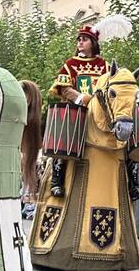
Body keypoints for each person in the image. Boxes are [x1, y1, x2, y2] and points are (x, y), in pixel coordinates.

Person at [46, 26, 107, 198]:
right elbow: (63, 88)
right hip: (77, 111)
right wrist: (82, 99)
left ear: (93, 43)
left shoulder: (104, 65)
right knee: (65, 137)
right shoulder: (70, 64)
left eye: (84, 39)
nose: (80, 41)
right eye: (79, 39)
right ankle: (57, 180)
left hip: (101, 112)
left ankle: (131, 181)